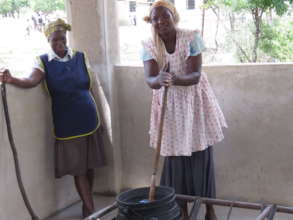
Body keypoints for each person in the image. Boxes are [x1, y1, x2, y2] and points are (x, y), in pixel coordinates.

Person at [0, 19, 105, 218]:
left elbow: (88, 85)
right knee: (78, 169)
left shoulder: (81, 57)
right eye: (54, 40)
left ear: (67, 38)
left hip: (90, 119)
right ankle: (90, 210)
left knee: (90, 165)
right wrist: (12, 79)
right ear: (48, 40)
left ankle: (87, 205)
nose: (59, 44)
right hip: (67, 124)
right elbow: (31, 80)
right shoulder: (43, 61)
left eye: (62, 39)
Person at [141, 1, 227, 220]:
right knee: (175, 160)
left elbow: (195, 75)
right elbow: (150, 79)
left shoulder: (191, 37)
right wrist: (158, 79)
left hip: (194, 104)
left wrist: (176, 78)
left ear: (174, 16)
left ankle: (209, 209)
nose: (160, 21)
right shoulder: (149, 45)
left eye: (165, 16)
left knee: (200, 155)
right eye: (155, 19)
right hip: (168, 109)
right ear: (151, 23)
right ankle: (181, 211)